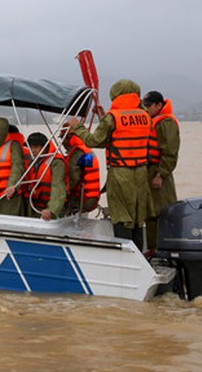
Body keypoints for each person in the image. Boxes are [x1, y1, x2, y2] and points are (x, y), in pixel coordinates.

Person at [66, 79, 154, 248]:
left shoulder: (112, 118)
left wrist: (78, 127)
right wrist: (103, 115)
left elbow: (94, 140)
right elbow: (123, 131)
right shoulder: (145, 116)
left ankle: (126, 256)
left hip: (121, 173)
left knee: (121, 215)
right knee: (137, 217)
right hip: (141, 173)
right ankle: (140, 256)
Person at [143, 90, 180, 251]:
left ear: (159, 105)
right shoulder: (153, 119)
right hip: (148, 171)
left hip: (159, 173)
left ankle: (164, 249)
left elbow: (170, 153)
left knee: (162, 212)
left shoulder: (167, 123)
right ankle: (153, 249)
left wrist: (160, 175)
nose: (146, 108)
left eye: (149, 105)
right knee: (150, 213)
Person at [26, 132, 67, 220]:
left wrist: (51, 209)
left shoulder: (56, 162)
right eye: (31, 147)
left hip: (52, 211)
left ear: (45, 147)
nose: (33, 150)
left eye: (36, 147)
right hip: (36, 208)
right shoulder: (34, 162)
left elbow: (58, 187)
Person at [62, 128, 101, 215]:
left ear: (69, 137)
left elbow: (73, 178)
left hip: (82, 198)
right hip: (93, 197)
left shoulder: (78, 153)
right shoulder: (86, 150)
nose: (61, 142)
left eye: (62, 138)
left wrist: (61, 193)